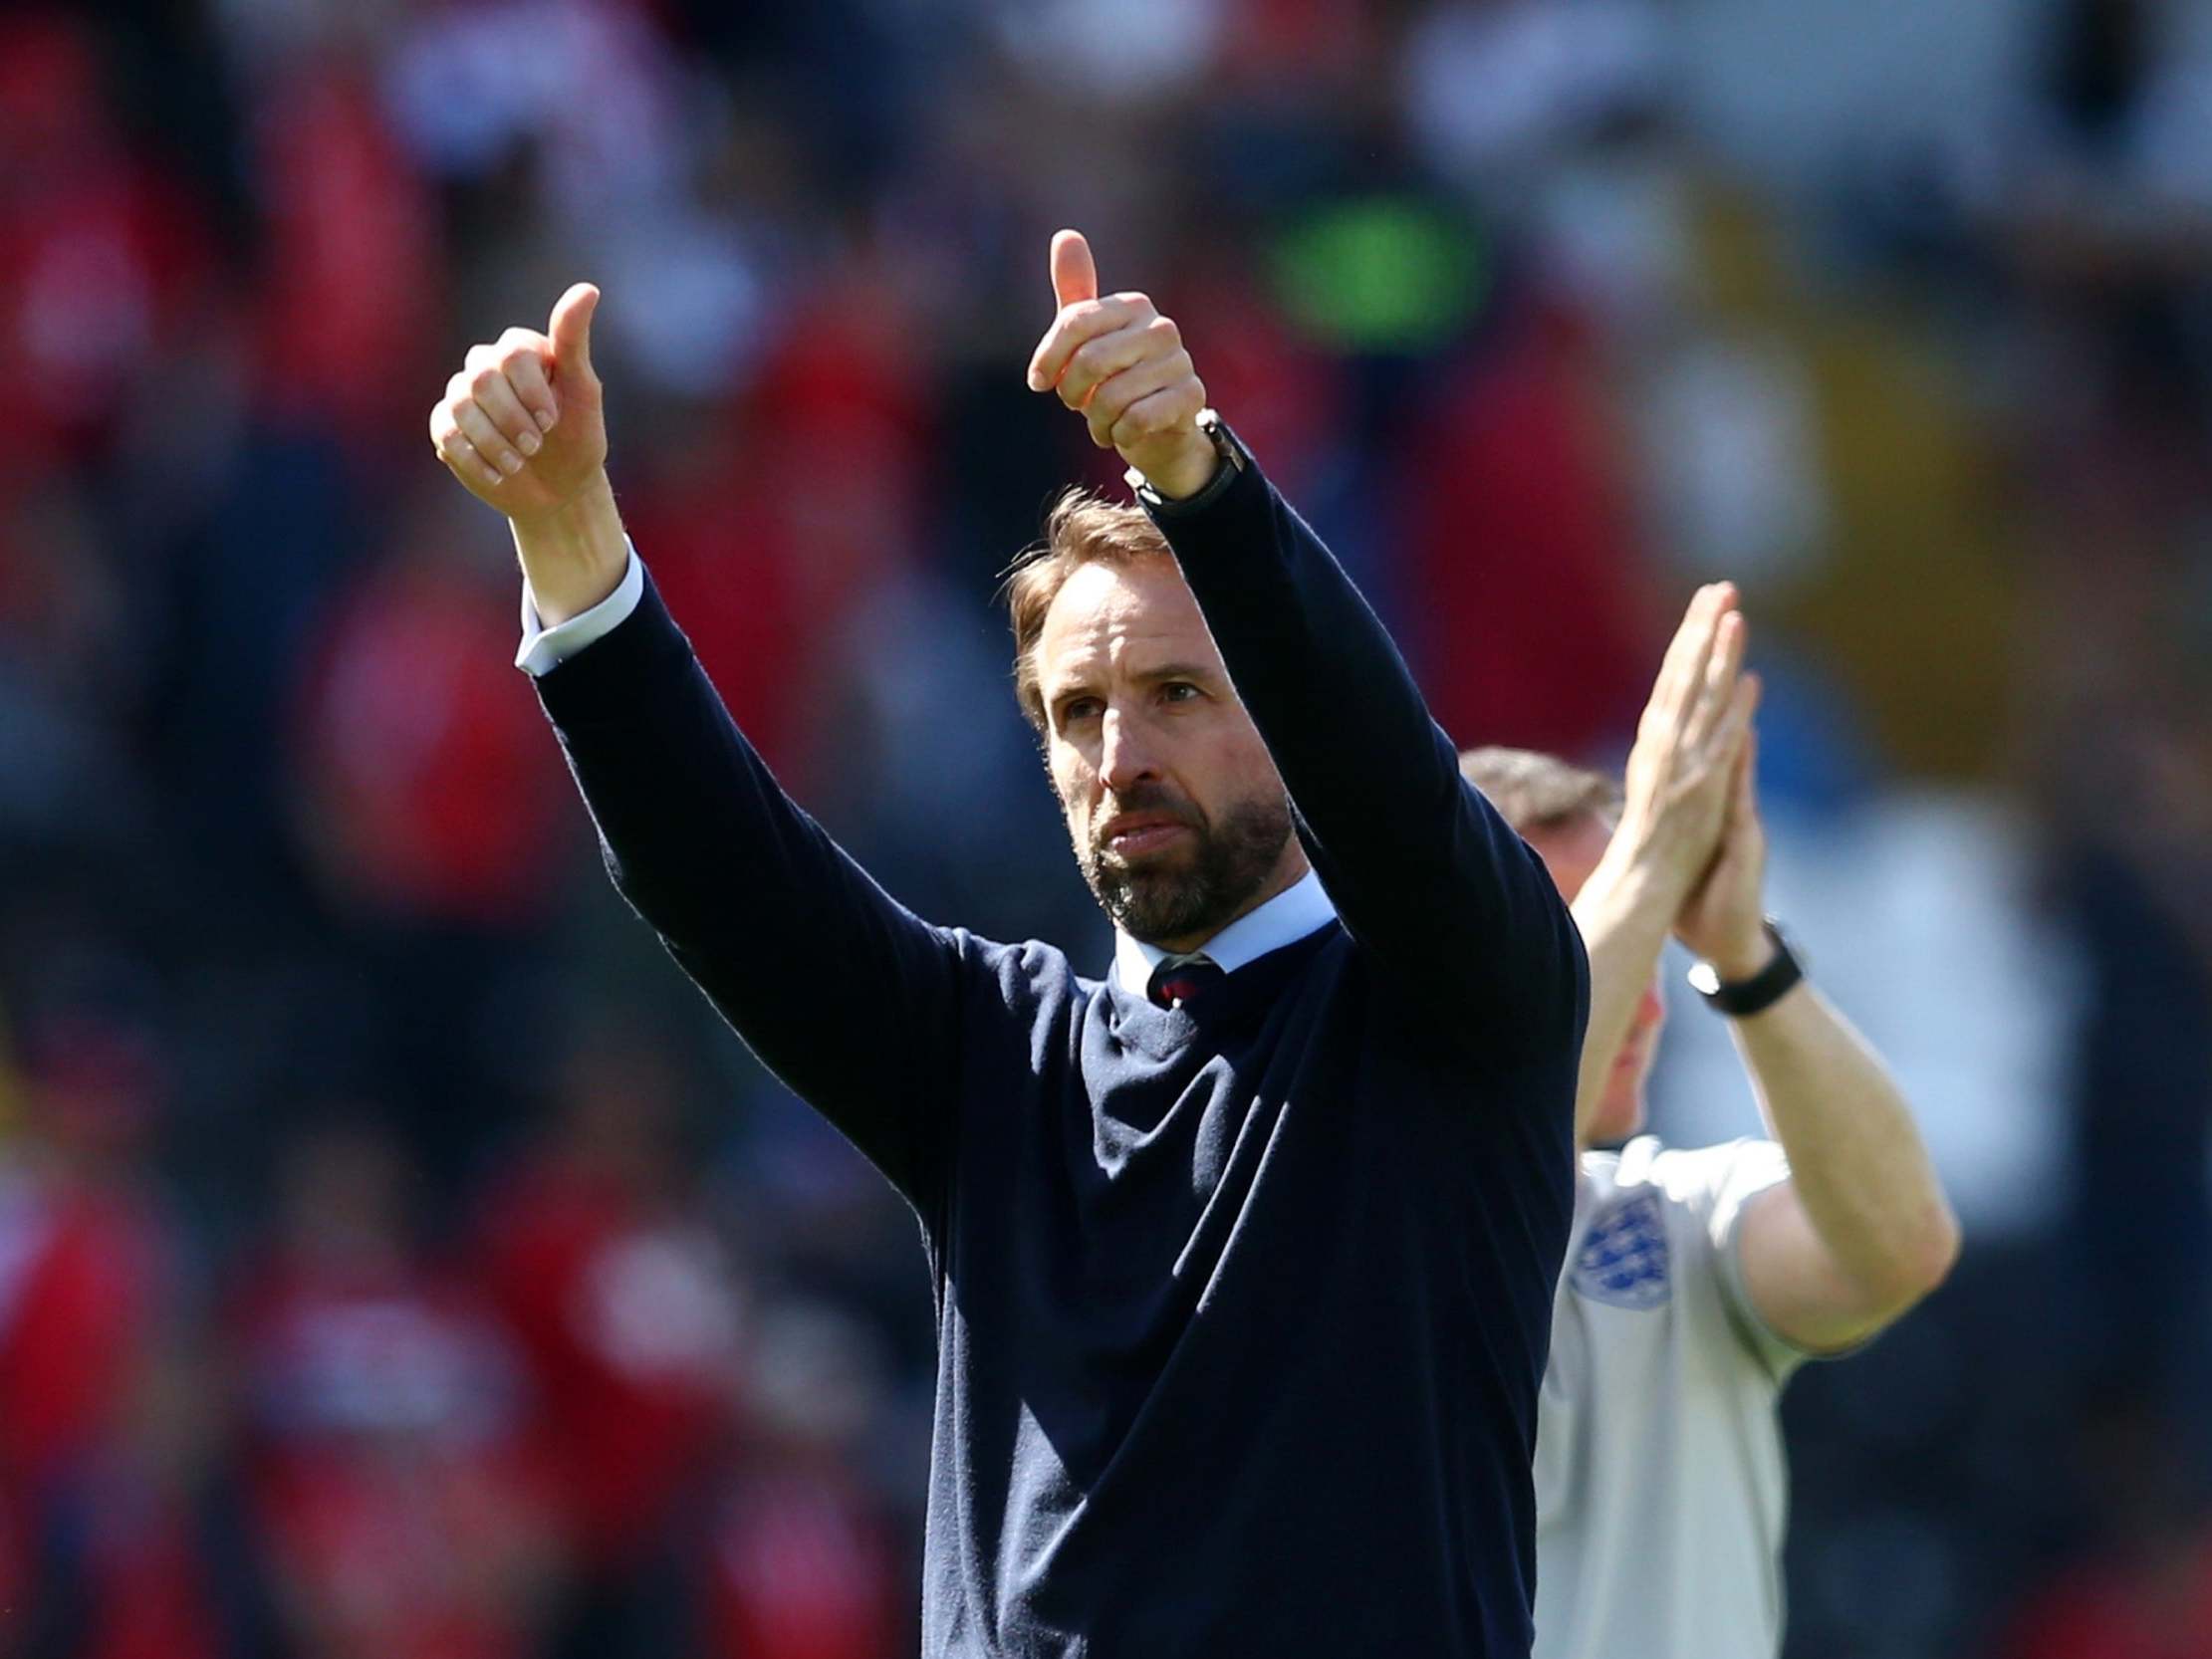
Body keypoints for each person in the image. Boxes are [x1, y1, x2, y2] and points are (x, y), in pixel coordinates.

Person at [425, 230, 1589, 1656]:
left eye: (1178, 690)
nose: (1123, 751)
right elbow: (724, 876)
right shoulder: (995, 1054)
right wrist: (567, 539)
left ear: (1280, 699)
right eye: (1078, 711)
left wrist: (1199, 482)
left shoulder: (1458, 1005)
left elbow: (1391, 795)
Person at [1459, 588, 1962, 1659]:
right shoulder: (1330, 1215)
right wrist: (1645, 858)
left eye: (1649, 945)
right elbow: (1478, 1156)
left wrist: (1743, 955)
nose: (1649, 997)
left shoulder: (1676, 1208)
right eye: (1608, 942)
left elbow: (1898, 1247)